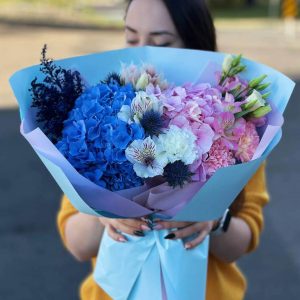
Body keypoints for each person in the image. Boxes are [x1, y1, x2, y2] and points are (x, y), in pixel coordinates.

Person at [57, 0, 269, 299]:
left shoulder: (233, 124)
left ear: (194, 44)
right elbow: (77, 244)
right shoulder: (101, 118)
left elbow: (241, 243)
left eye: (161, 42)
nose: (140, 51)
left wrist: (213, 219)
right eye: (131, 38)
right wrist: (104, 213)